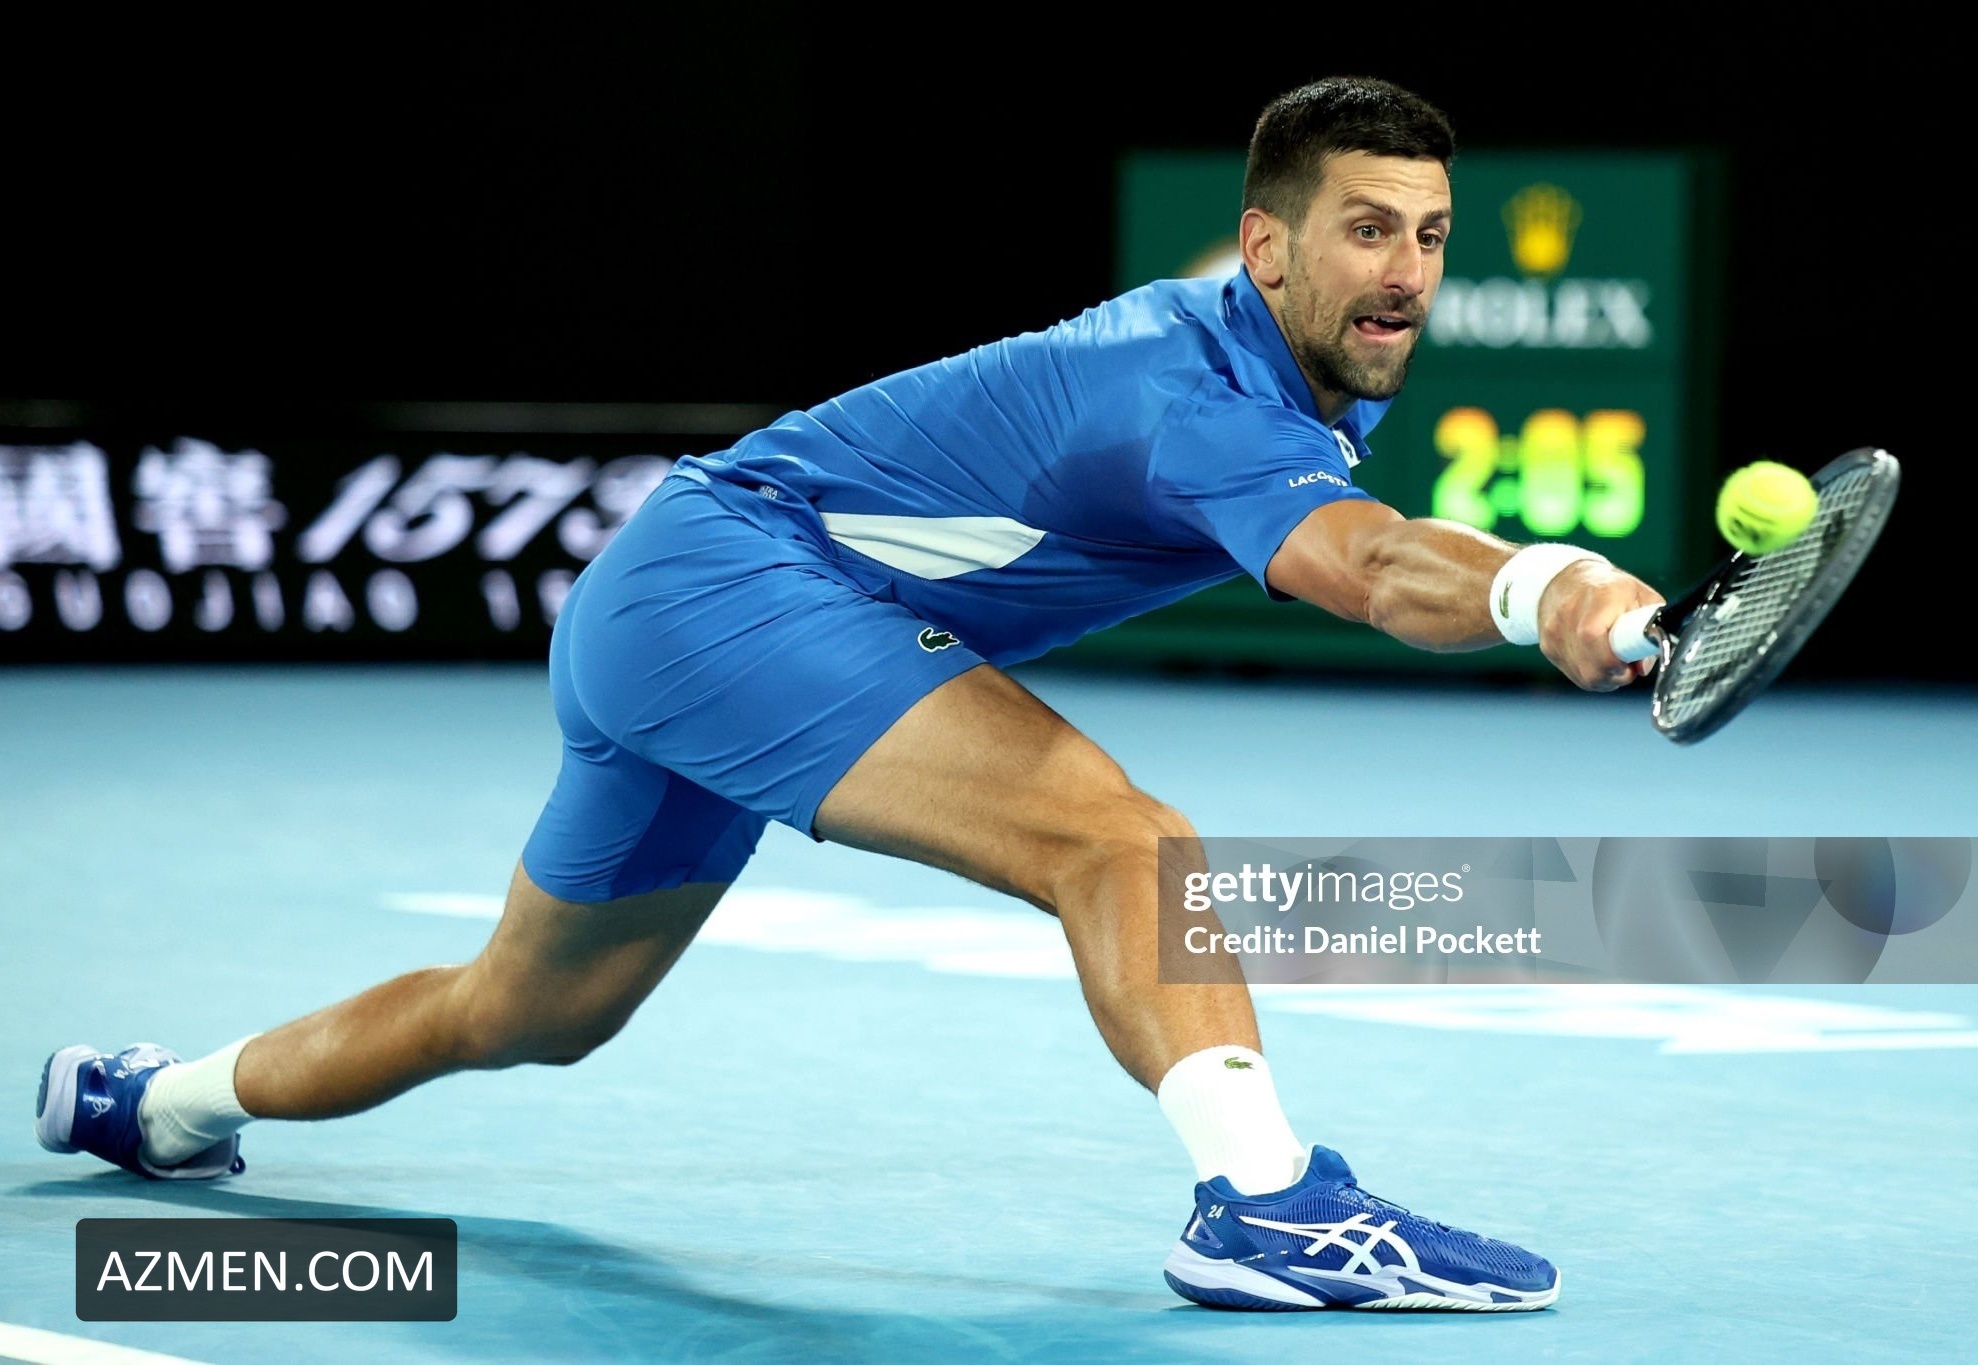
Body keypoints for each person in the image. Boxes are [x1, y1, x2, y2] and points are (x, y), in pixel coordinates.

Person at [36, 75, 1659, 1312]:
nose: (1407, 271)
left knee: (526, 1010)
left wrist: (1545, 584)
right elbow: (1372, 565)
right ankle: (1267, 1201)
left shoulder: (1281, 370)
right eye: (1367, 228)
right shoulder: (1196, 396)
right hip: (734, 589)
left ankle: (148, 1105)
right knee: (1119, 841)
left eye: (1429, 234)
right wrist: (1547, 586)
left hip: (676, 601)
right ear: (1265, 246)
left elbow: (1366, 528)